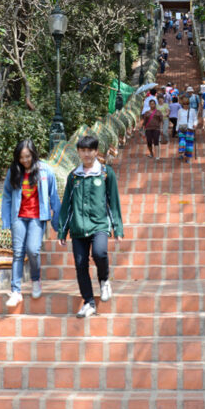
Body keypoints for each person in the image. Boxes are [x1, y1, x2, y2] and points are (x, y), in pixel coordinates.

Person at [58, 134, 124, 318]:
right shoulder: (73, 176)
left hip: (99, 224)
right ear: (78, 152)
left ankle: (104, 280)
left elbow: (114, 201)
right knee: (80, 265)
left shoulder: (105, 173)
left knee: (100, 253)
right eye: (83, 150)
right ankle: (88, 302)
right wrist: (63, 230)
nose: (87, 154)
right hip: (78, 227)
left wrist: (117, 227)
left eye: (90, 150)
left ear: (96, 151)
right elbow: (67, 204)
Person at [1, 139, 61, 307]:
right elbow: (6, 195)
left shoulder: (45, 171)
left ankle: (36, 279)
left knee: (33, 250)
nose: (25, 160)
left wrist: (57, 221)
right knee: (18, 252)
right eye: (21, 157)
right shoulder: (13, 171)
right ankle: (16, 291)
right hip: (18, 217)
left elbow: (54, 196)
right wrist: (6, 220)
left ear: (34, 154)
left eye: (28, 156)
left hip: (37, 217)